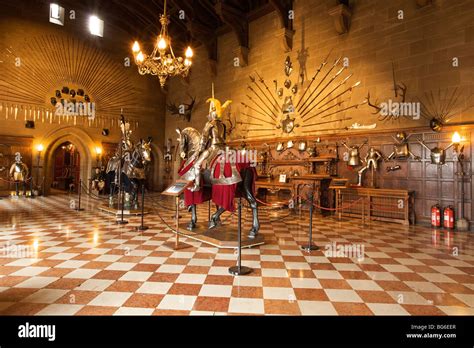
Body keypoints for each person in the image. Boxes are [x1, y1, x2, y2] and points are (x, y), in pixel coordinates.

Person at [190, 97, 232, 191]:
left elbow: (204, 138)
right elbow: (224, 138)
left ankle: (197, 186)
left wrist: (200, 151)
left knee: (197, 165)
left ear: (212, 114)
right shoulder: (223, 125)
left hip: (215, 147)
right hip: (225, 147)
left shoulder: (209, 124)